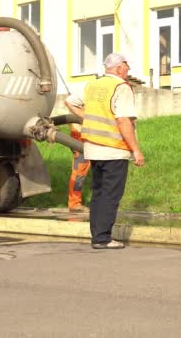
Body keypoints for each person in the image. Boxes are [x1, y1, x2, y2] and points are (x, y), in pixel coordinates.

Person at [76, 52, 145, 249]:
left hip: (93, 149)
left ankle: (97, 236)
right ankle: (103, 238)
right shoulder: (120, 87)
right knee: (111, 194)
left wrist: (85, 118)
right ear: (118, 68)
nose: (128, 69)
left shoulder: (92, 85)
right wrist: (136, 151)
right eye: (126, 65)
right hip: (114, 149)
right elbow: (123, 120)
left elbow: (70, 102)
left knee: (98, 193)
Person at [64, 96, 90, 213]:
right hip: (80, 138)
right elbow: (68, 101)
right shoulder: (81, 93)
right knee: (79, 172)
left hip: (89, 138)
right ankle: (74, 203)